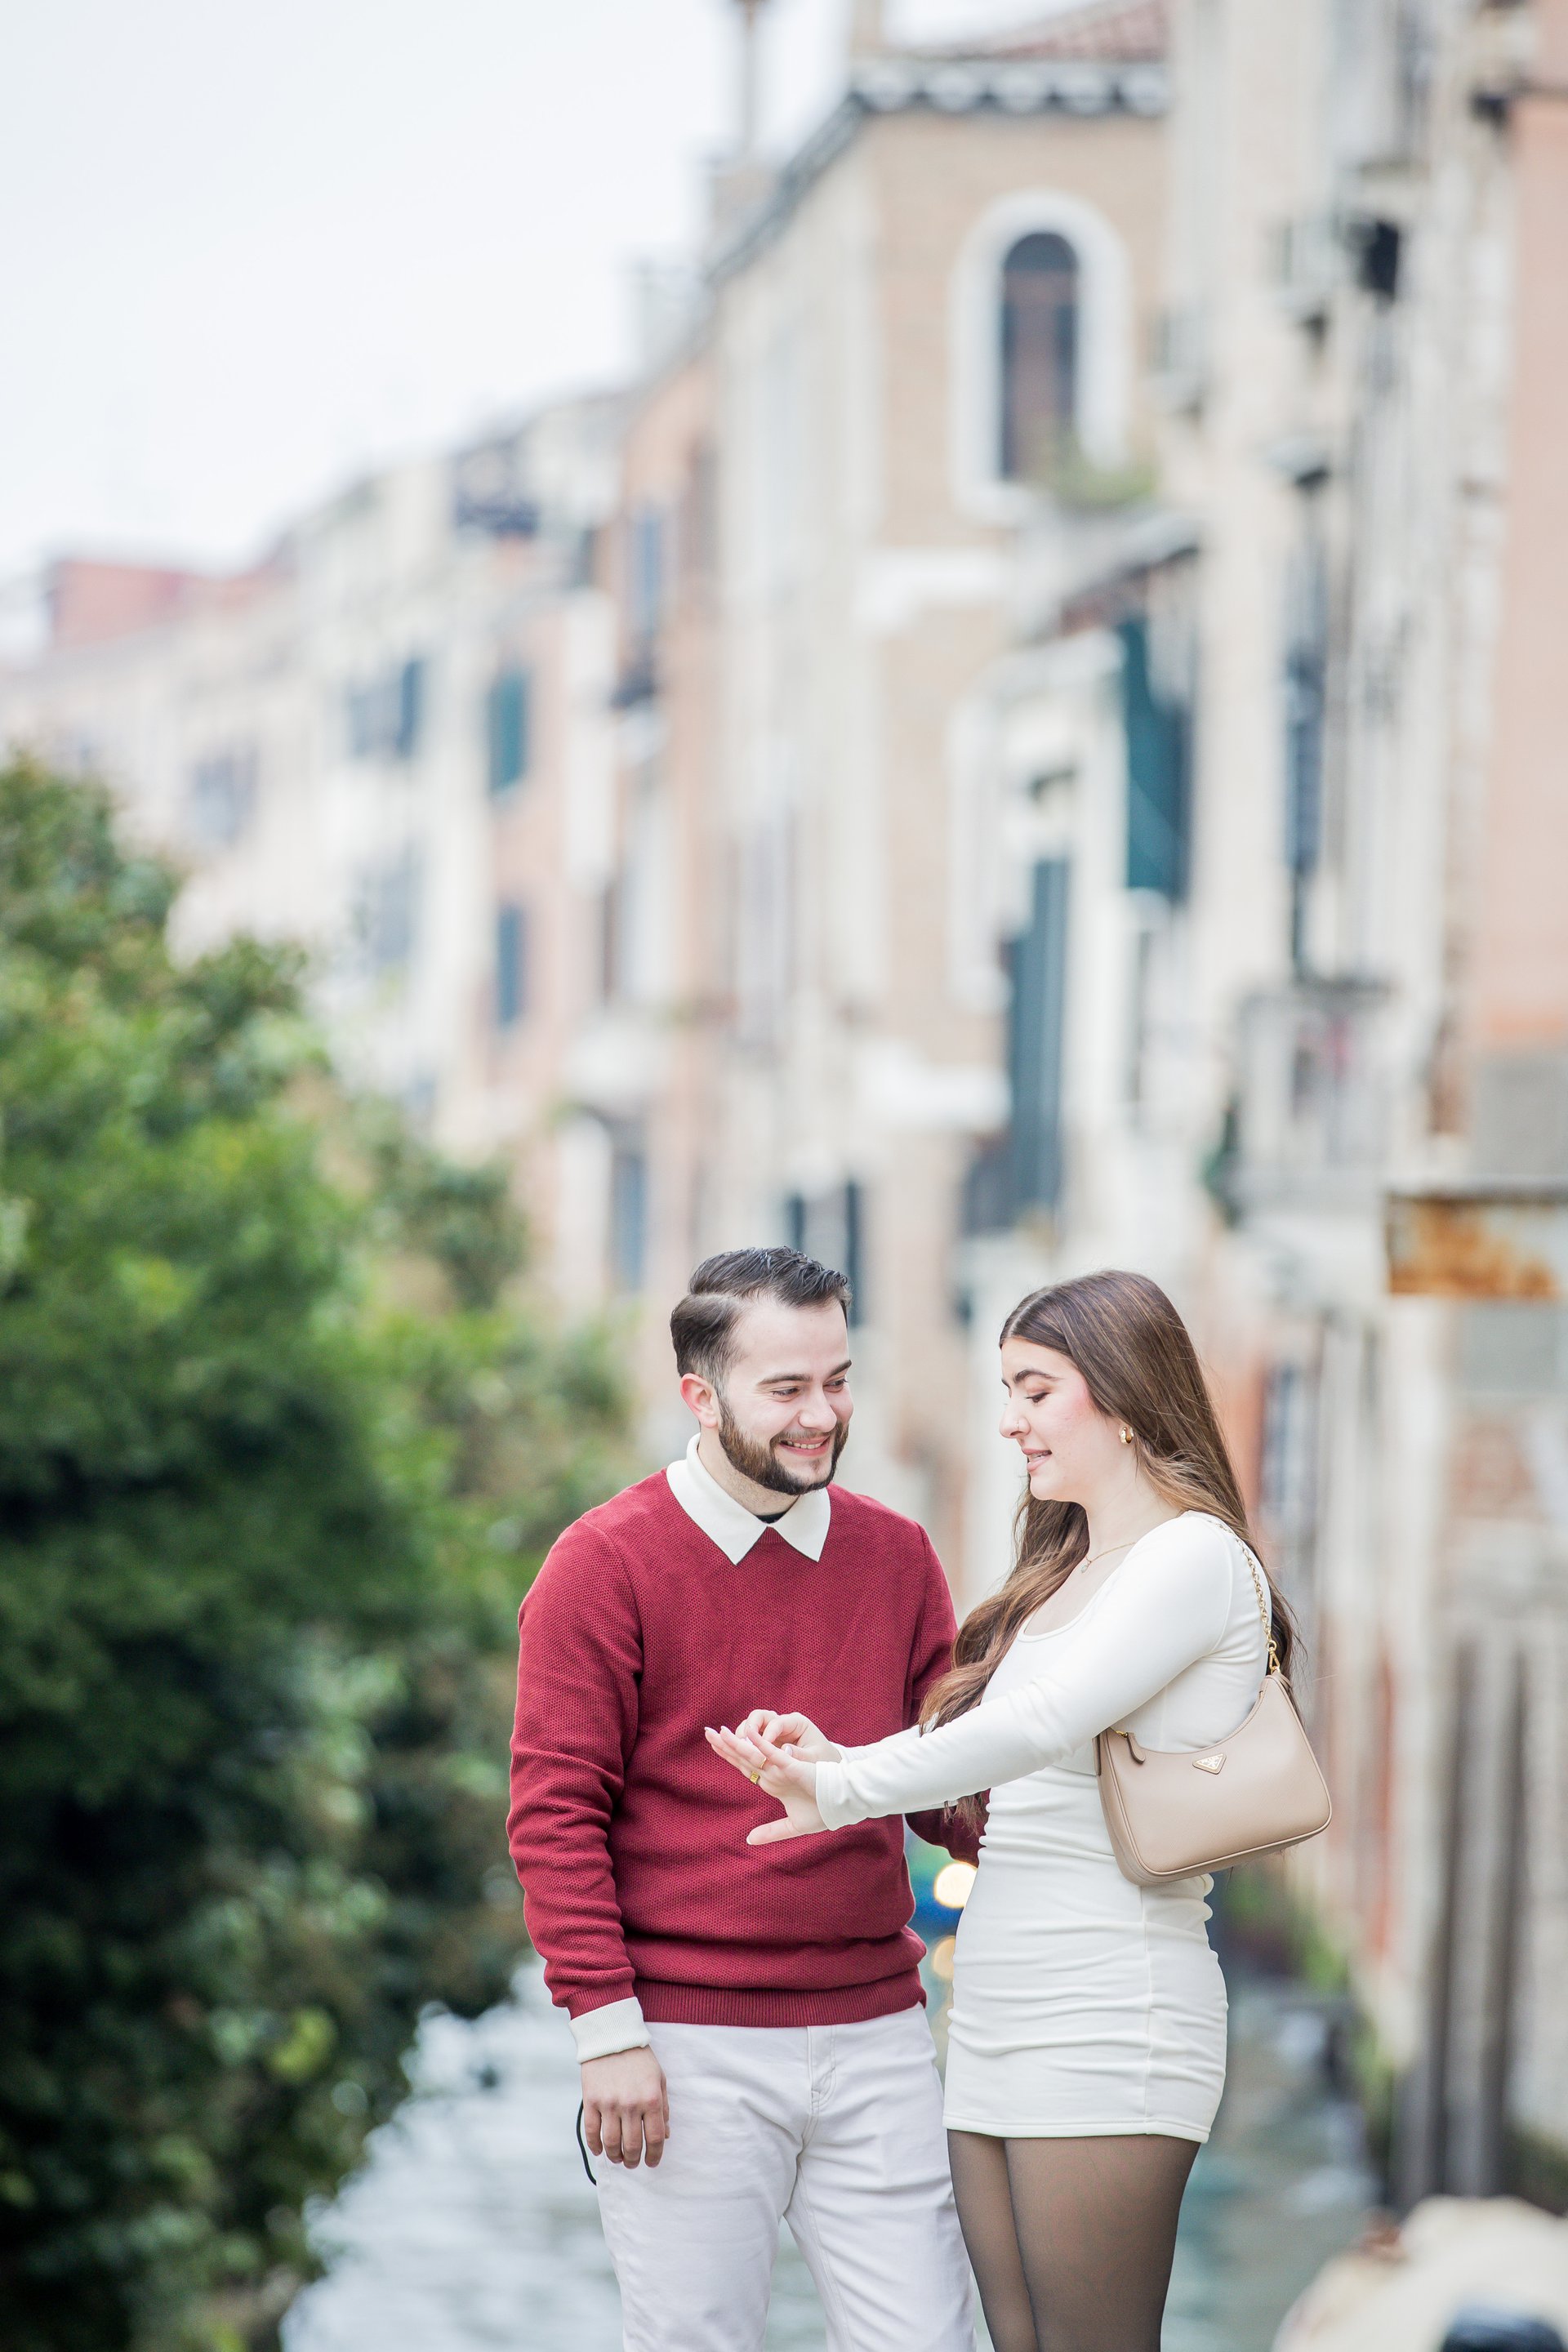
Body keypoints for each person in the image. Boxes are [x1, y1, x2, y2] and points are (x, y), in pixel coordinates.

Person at [708, 1267, 1298, 2352]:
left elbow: (1042, 1723)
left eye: (1035, 1390)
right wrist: (840, 1755)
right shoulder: (1066, 1566)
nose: (1010, 1420)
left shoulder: (1194, 1559)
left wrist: (844, 1791)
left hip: (1111, 2012)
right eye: (1008, 1390)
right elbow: (988, 1741)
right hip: (996, 2012)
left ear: (1119, 1399)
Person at [507, 1247, 979, 2352]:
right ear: (700, 1396)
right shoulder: (600, 1564)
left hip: (878, 2033)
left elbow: (946, 1797)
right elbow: (554, 1815)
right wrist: (606, 2034)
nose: (824, 1416)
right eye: (788, 1390)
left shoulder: (898, 1555)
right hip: (683, 2045)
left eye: (839, 1379)